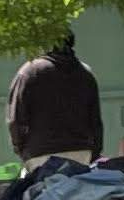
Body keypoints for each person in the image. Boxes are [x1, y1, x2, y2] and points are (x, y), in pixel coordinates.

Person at [6, 36, 105, 170]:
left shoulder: (30, 71)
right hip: (81, 150)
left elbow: (16, 118)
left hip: (41, 152)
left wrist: (21, 149)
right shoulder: (85, 73)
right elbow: (95, 119)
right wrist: (94, 151)